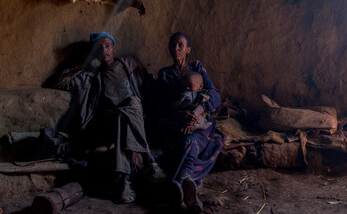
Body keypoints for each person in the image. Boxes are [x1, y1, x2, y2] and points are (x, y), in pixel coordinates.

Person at [53, 32, 165, 203]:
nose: (104, 50)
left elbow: (150, 84)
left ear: (114, 47)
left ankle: (125, 182)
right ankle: (150, 161)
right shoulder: (92, 76)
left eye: (107, 45)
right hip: (106, 122)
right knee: (126, 109)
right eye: (99, 48)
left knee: (131, 105)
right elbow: (61, 82)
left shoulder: (128, 64)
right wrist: (84, 64)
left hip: (128, 119)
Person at [155, 32, 225, 213]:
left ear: (188, 50)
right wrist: (179, 115)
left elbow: (214, 95)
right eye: (173, 45)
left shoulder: (196, 68)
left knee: (191, 142)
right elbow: (159, 105)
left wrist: (197, 111)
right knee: (176, 139)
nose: (176, 49)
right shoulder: (165, 74)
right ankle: (187, 185)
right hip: (176, 120)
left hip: (198, 119)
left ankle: (178, 183)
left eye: (180, 45)